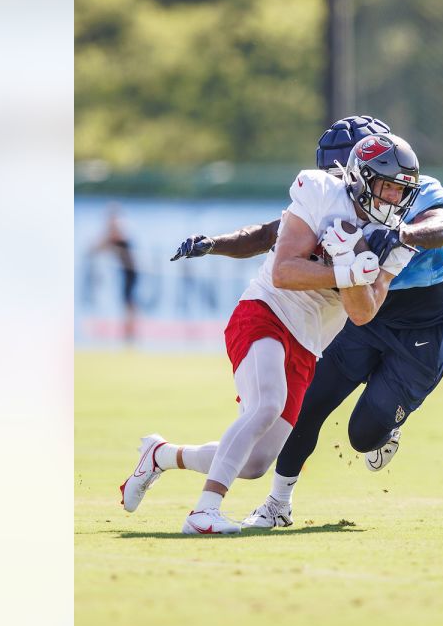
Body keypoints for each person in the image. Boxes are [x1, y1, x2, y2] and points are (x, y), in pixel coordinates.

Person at [119, 132, 423, 535]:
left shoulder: (396, 239)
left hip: (308, 344)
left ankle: (160, 455)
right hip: (266, 311)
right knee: (266, 404)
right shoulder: (321, 193)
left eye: (402, 192)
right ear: (362, 179)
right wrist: (346, 270)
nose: (393, 200)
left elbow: (363, 312)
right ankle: (204, 512)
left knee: (254, 463)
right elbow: (283, 271)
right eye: (387, 187)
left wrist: (350, 262)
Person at [90, 204, 139, 343]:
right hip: (126, 271)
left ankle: (130, 333)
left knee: (129, 301)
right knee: (127, 301)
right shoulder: (115, 231)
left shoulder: (118, 230)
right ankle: (129, 332)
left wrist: (95, 247)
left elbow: (105, 244)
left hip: (130, 270)